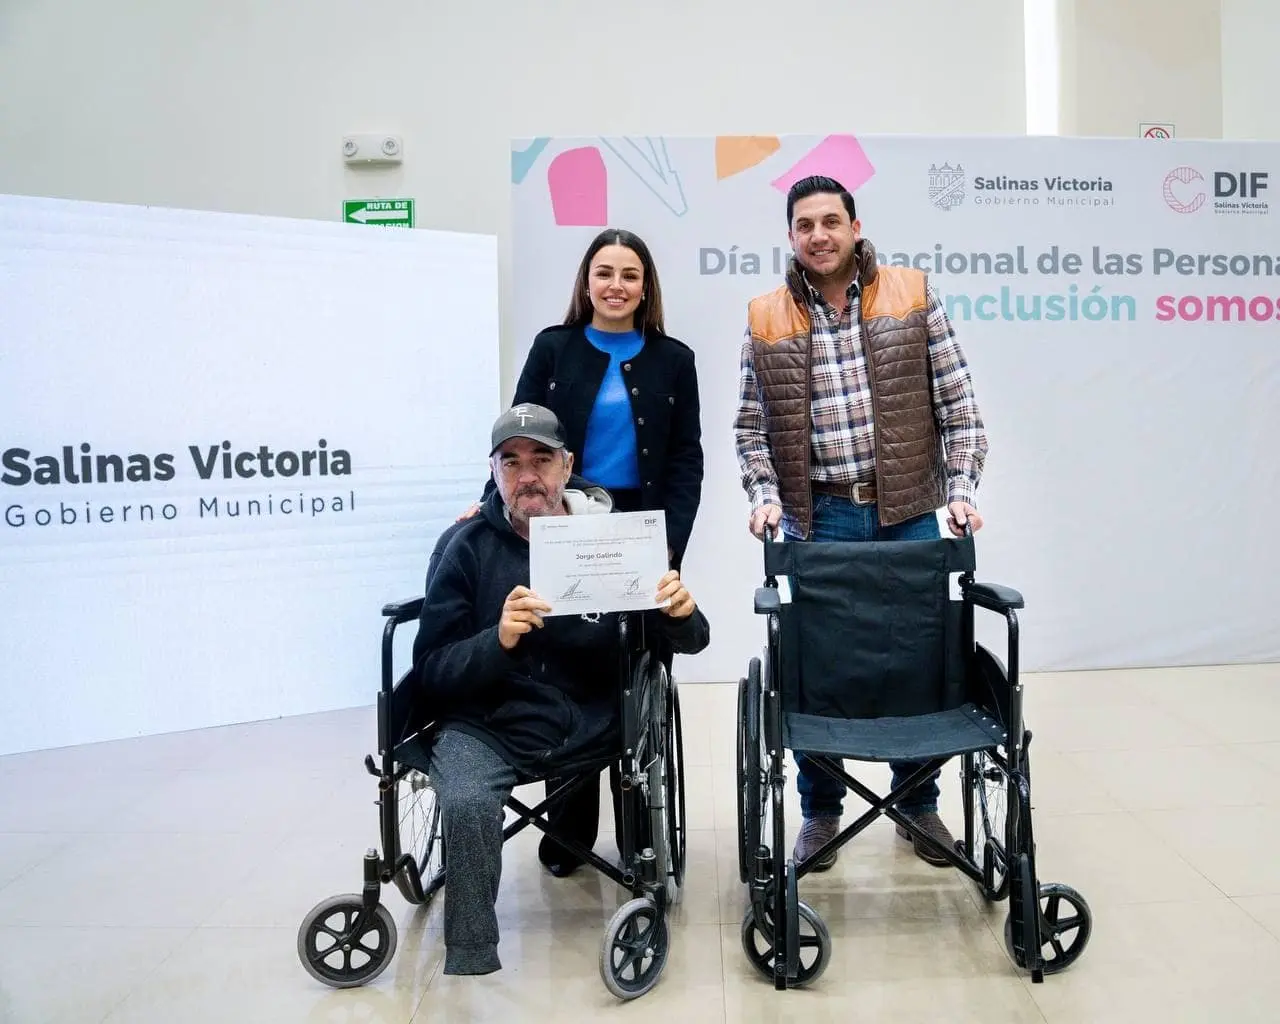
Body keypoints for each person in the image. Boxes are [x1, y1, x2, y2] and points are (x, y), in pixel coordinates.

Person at [733, 175, 989, 871]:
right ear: (791, 235)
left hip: (908, 512)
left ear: (854, 225)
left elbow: (960, 409)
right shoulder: (766, 315)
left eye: (830, 221)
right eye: (804, 224)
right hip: (822, 517)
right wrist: (764, 495)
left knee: (920, 659)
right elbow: (751, 429)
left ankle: (917, 802)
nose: (818, 235)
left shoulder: (912, 293)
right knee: (817, 669)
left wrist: (960, 490)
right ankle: (820, 813)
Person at [413, 403, 709, 976]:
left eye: (541, 459)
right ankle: (472, 952)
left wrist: (680, 612)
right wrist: (495, 641)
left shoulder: (616, 538)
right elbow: (430, 670)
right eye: (511, 461)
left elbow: (690, 641)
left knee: (630, 744)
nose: (527, 475)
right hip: (488, 724)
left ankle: (638, 884)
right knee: (469, 796)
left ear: (567, 465)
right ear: (494, 471)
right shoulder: (467, 547)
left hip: (592, 714)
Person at [462, 228, 704, 877]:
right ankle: (568, 825)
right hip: (563, 520)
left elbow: (685, 459)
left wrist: (667, 545)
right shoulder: (554, 346)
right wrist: (491, 499)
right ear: (586, 281)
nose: (616, 285)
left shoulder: (673, 358)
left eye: (630, 274)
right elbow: (518, 439)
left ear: (645, 285)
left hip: (638, 529)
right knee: (563, 660)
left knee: (634, 669)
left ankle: (637, 829)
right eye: (605, 272)